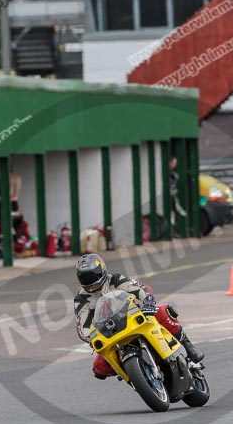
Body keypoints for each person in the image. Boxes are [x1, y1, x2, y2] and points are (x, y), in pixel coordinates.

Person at [74, 253, 203, 380]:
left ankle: (187, 346)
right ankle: (133, 372)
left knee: (163, 311)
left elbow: (138, 288)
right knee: (99, 367)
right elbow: (82, 324)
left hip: (133, 317)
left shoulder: (115, 279)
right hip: (109, 332)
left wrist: (147, 300)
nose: (90, 281)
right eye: (84, 278)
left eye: (92, 275)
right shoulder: (81, 299)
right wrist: (89, 337)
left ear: (101, 270)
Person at [169, 157, 187, 223]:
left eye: (175, 163)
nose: (175, 164)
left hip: (173, 194)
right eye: (173, 163)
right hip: (170, 195)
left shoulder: (173, 172)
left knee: (175, 208)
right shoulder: (169, 172)